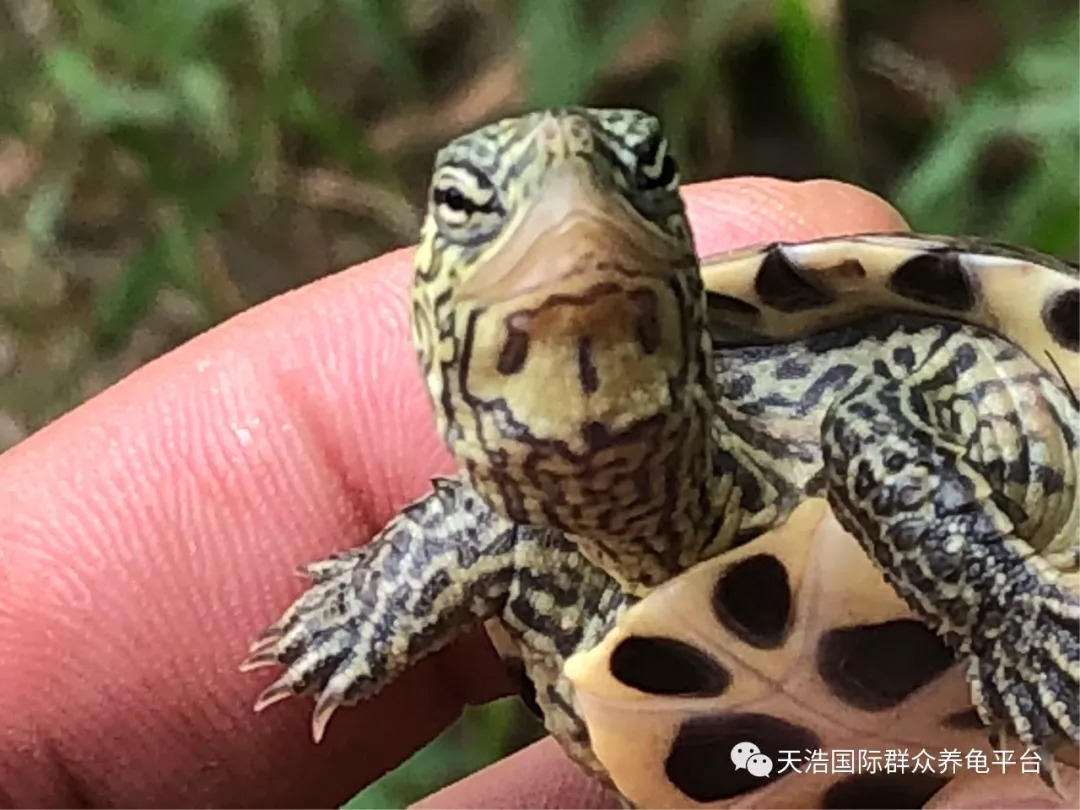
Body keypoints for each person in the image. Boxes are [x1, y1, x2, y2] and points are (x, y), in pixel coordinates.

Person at [0, 178, 1074, 809]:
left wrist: (999, 602)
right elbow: (500, 510)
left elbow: (878, 435)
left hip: (1015, 559)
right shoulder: (532, 527)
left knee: (875, 440)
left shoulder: (893, 384)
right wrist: (382, 599)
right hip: (735, 753)